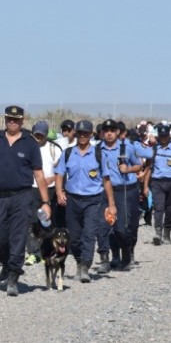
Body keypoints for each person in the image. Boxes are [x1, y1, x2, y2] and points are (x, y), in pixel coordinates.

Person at [0, 106, 51, 297]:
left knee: (18, 237)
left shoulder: (30, 143)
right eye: (9, 119)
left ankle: (13, 276)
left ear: (22, 121)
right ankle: (7, 264)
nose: (12, 122)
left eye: (16, 119)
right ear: (5, 119)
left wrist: (45, 202)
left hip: (22, 197)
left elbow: (39, 175)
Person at [54, 120, 117, 284]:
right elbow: (59, 174)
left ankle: (85, 267)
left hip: (93, 200)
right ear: (75, 133)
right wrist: (59, 192)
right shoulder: (67, 153)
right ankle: (79, 260)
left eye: (86, 133)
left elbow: (106, 180)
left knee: (89, 234)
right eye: (80, 133)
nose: (82, 136)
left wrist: (111, 204)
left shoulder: (98, 154)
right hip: (72, 200)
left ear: (91, 135)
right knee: (74, 237)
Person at [97, 119, 141, 273]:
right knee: (107, 226)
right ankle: (112, 257)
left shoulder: (127, 147)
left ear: (117, 132)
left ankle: (127, 253)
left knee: (123, 228)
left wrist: (128, 169)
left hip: (127, 190)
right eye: (106, 130)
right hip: (107, 191)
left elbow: (139, 165)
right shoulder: (97, 149)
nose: (109, 133)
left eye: (112, 130)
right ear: (102, 133)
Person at [25, 121, 62, 266]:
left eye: (42, 134)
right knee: (32, 221)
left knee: (46, 221)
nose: (39, 137)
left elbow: (61, 171)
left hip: (50, 190)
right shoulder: (27, 147)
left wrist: (51, 179)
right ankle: (33, 253)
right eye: (37, 134)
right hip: (31, 188)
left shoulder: (54, 149)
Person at [144, 125, 171, 245]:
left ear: (169, 135)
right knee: (158, 208)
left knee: (169, 210)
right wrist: (145, 186)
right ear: (158, 136)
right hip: (157, 182)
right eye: (161, 136)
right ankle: (158, 233)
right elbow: (148, 169)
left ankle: (166, 233)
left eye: (165, 136)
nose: (163, 138)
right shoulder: (154, 150)